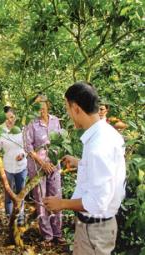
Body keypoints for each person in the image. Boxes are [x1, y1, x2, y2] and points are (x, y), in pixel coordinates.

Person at [43, 82, 126, 255]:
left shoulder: (98, 146)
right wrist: (80, 162)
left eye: (67, 108)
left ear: (76, 108)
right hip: (94, 227)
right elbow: (105, 173)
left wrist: (62, 203)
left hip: (94, 230)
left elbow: (97, 202)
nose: (68, 114)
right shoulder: (106, 134)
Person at [24, 95, 64, 246]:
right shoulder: (31, 123)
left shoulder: (55, 120)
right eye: (36, 106)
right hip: (38, 166)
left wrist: (55, 161)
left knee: (56, 197)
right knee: (41, 200)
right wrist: (42, 163)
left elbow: (60, 142)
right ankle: (47, 235)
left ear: (48, 105)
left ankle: (58, 233)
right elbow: (28, 147)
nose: (40, 108)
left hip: (54, 166)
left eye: (42, 105)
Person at [0, 106, 27, 225]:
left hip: (21, 166)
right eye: (7, 118)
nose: (10, 120)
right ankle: (10, 220)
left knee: (21, 193)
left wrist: (23, 155)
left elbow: (28, 146)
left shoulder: (22, 129)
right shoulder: (1, 131)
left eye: (12, 117)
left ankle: (20, 220)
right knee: (8, 195)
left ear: (16, 117)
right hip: (8, 167)